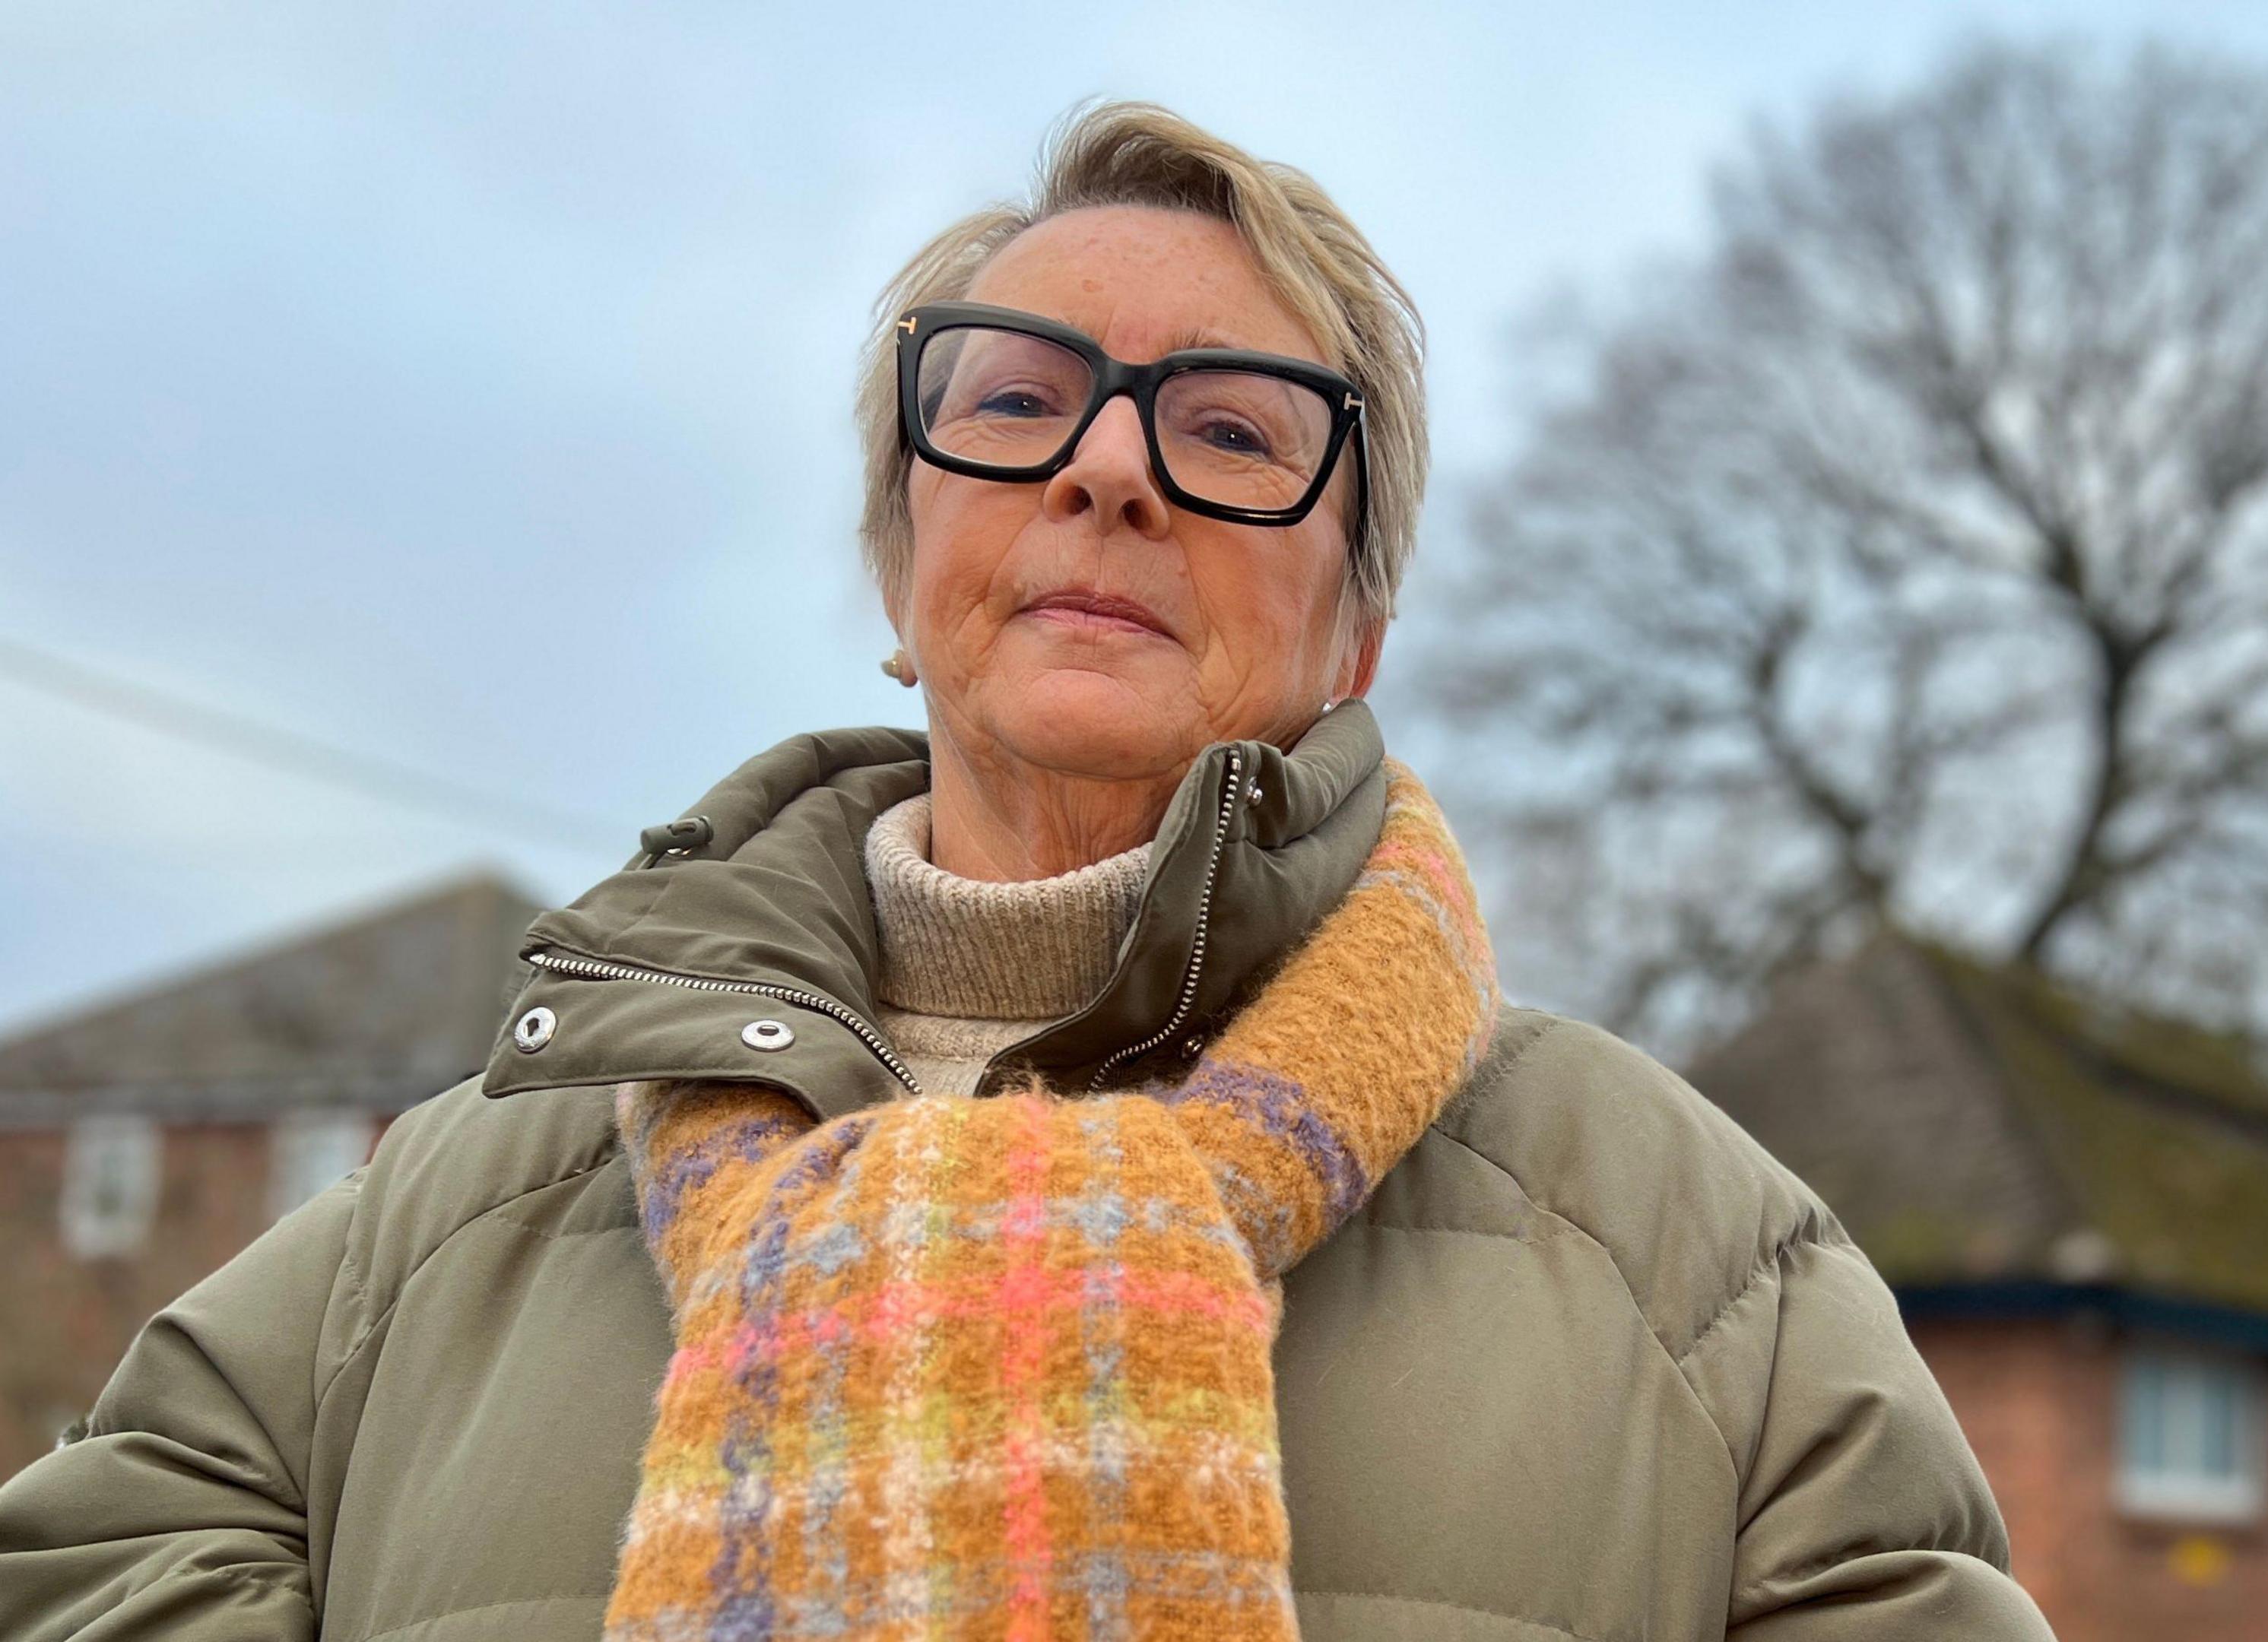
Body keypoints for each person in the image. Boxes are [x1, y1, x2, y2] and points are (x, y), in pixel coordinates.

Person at [0, 101, 2053, 1641]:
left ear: (1356, 636)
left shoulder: (1698, 1267)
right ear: (905, 573)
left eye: (1238, 434)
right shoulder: (439, 1216)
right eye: (1016, 404)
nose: (1110, 465)